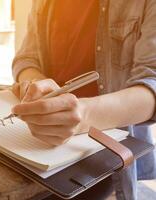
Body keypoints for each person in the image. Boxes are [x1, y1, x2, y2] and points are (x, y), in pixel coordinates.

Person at [11, 1, 156, 200]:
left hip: (103, 156)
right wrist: (36, 84)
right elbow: (26, 58)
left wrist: (83, 115)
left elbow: (152, 83)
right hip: (39, 146)